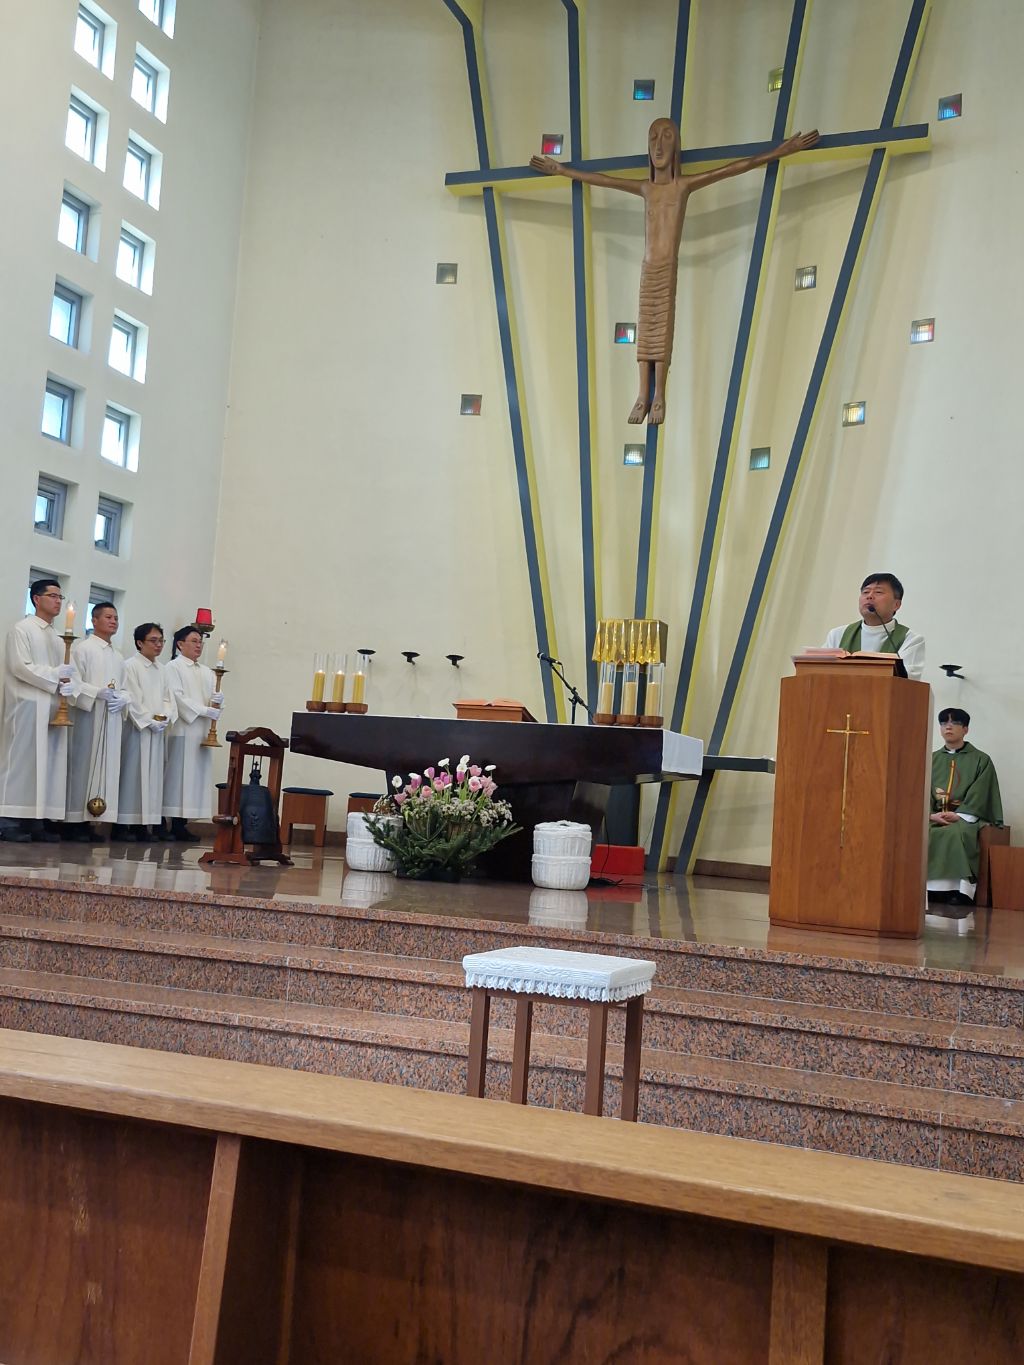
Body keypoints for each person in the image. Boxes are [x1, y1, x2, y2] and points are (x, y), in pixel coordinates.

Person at [530, 118, 818, 424]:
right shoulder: (645, 188)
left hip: (667, 268)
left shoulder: (682, 187)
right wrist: (561, 170)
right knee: (646, 331)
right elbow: (602, 180)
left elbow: (734, 168)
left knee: (661, 329)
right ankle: (642, 394)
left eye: (666, 137)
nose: (658, 145)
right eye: (653, 137)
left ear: (676, 146)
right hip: (648, 267)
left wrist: (781, 151)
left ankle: (659, 396)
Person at [0, 579, 79, 842]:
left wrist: (70, 685)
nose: (58, 601)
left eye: (60, 597)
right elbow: (19, 666)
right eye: (52, 596)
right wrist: (55, 676)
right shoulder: (22, 629)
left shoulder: (58, 638)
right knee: (21, 762)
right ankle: (8, 820)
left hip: (53, 707)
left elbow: (68, 671)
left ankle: (36, 819)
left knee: (47, 765)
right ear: (36, 599)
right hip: (27, 706)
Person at [64, 601, 129, 842]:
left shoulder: (118, 656)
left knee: (105, 769)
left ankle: (94, 820)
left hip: (111, 717)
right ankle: (73, 822)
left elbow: (125, 687)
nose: (113, 621)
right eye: (108, 617)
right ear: (94, 620)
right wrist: (95, 692)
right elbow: (73, 683)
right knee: (83, 766)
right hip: (88, 717)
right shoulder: (83, 649)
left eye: (116, 618)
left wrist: (122, 699)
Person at [927, 708, 1002, 907]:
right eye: (944, 723)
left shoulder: (981, 759)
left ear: (966, 729)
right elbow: (920, 790)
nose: (948, 727)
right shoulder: (931, 759)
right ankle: (928, 890)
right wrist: (931, 815)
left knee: (955, 833)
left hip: (966, 816)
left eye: (954, 723)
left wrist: (960, 815)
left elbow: (981, 792)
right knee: (925, 831)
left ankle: (960, 892)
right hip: (935, 816)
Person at [162, 625, 223, 841]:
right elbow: (177, 697)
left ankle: (181, 824)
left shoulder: (206, 671)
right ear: (180, 644)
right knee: (175, 777)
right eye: (194, 641)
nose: (199, 645)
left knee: (192, 780)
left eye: (200, 642)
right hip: (182, 730)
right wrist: (204, 710)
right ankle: (163, 822)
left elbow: (213, 696)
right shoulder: (173, 667)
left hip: (201, 732)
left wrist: (218, 702)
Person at [115, 622, 174, 842]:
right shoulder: (130, 666)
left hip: (156, 731)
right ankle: (122, 825)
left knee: (152, 778)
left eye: (161, 641)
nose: (158, 645)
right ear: (140, 643)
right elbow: (131, 698)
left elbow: (168, 698)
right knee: (132, 775)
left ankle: (143, 825)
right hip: (137, 730)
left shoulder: (162, 669)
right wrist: (148, 720)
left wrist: (164, 717)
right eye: (153, 640)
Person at [822, 573, 925, 681]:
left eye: (878, 592)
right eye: (865, 592)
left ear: (896, 604)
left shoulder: (910, 639)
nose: (869, 596)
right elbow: (820, 670)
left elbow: (908, 680)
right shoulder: (838, 634)